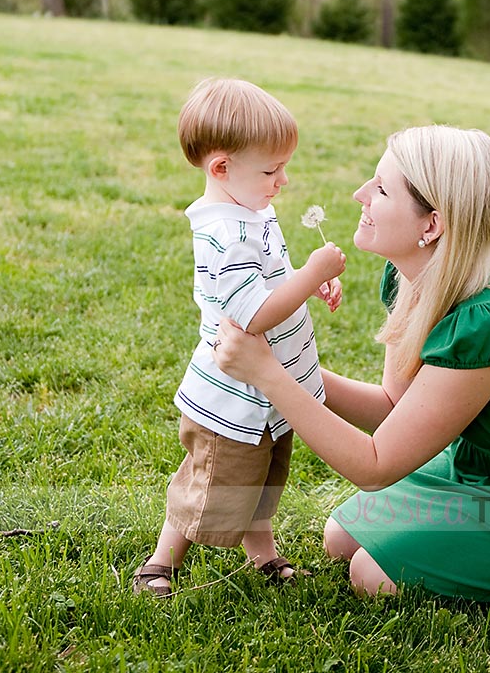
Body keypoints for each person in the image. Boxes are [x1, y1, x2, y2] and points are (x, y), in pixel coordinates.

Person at [211, 124, 490, 601]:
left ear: (431, 225)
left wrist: (266, 374)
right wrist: (287, 366)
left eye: (382, 189)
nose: (360, 194)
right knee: (341, 537)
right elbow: (395, 405)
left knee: (374, 575)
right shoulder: (409, 276)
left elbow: (375, 466)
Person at [132, 78, 346, 596]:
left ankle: (263, 555)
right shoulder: (222, 233)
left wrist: (309, 282)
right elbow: (251, 315)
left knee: (265, 481)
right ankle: (160, 564)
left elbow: (272, 275)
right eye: (271, 170)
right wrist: (312, 272)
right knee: (211, 484)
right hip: (234, 398)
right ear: (221, 168)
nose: (283, 180)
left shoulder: (250, 209)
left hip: (270, 390)